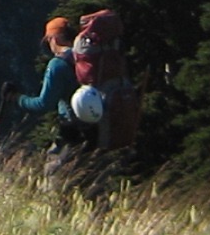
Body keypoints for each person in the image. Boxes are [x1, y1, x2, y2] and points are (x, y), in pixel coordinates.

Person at [15, 14, 96, 148]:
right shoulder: (86, 56)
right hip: (97, 125)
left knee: (55, 160)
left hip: (73, 130)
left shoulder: (57, 64)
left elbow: (44, 104)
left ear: (54, 38)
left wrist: (18, 98)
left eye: (48, 40)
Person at [71, 8, 142, 153]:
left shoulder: (83, 42)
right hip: (122, 89)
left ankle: (104, 155)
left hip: (96, 95)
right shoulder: (116, 41)